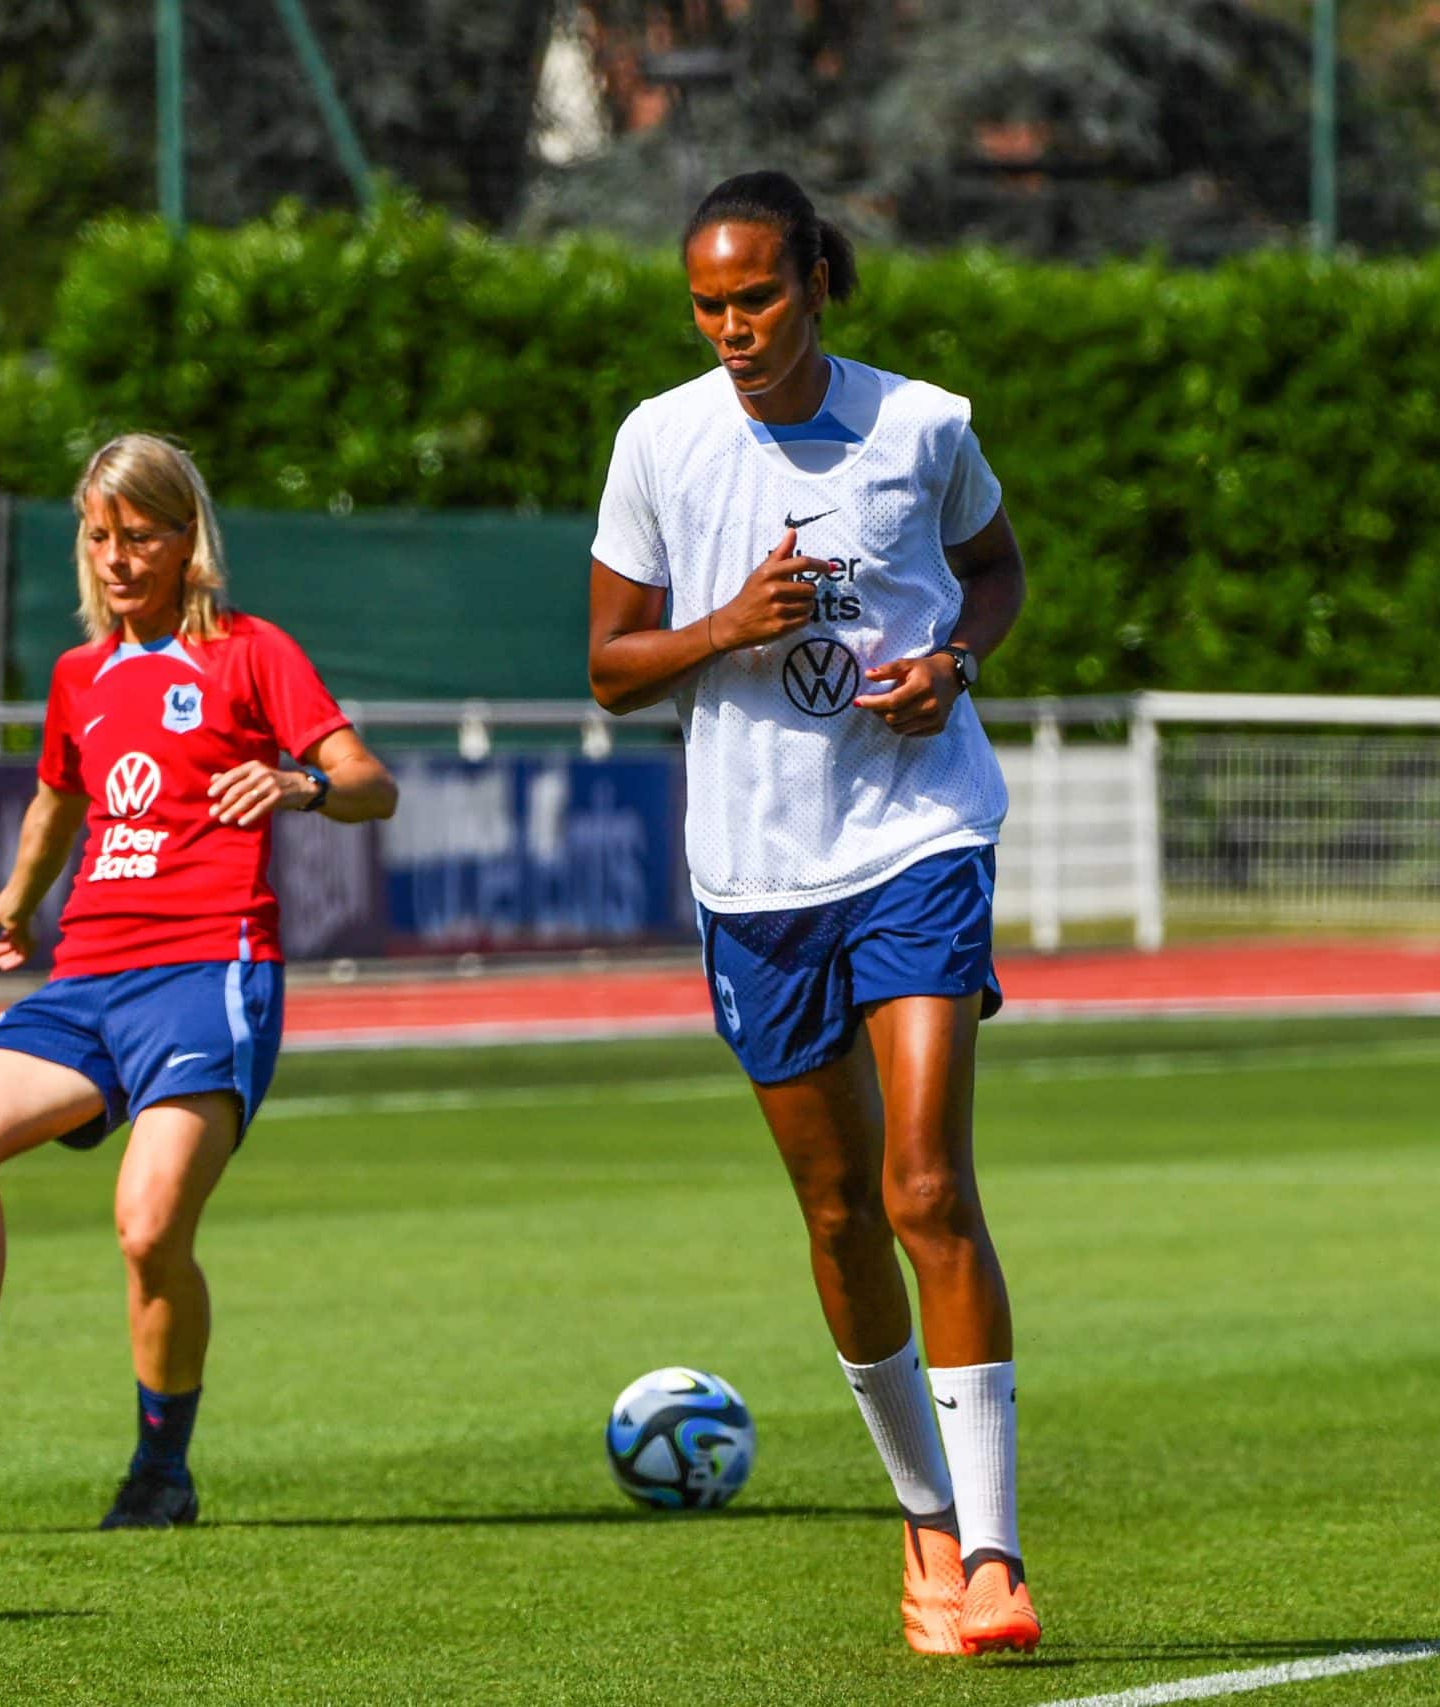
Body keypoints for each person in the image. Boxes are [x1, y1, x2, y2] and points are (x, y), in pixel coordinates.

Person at [587, 171, 1037, 1655]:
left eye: (757, 297)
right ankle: (918, 1513)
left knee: (922, 1183)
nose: (732, 328)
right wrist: (728, 626)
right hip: (755, 873)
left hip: (916, 834)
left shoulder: (923, 424)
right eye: (708, 304)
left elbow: (996, 575)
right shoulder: (660, 440)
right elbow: (609, 665)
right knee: (838, 1210)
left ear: (818, 284)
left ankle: (992, 1554)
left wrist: (953, 667)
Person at [0, 433, 396, 1529]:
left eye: (139, 537)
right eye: (98, 537)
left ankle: (159, 1470)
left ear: (187, 541)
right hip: (87, 977)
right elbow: (58, 799)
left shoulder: (250, 653)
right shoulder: (79, 676)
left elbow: (372, 785)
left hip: (208, 970)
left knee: (146, 1230)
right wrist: (17, 897)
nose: (116, 559)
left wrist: (299, 783)